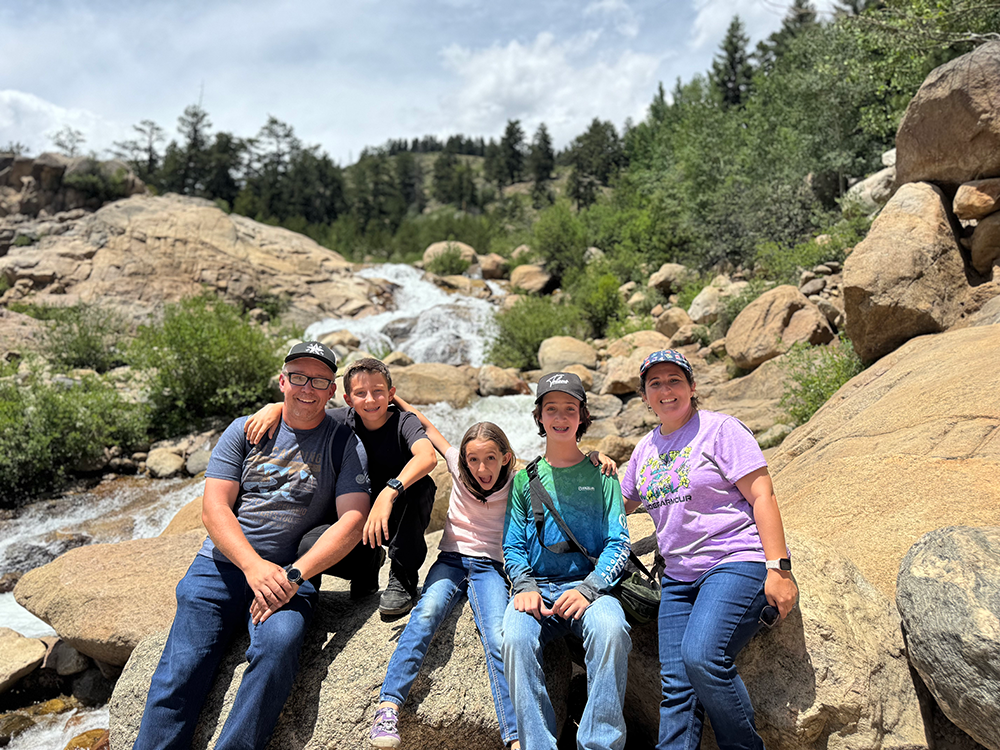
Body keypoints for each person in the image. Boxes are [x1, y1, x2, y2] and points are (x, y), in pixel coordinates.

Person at [132, 341, 370, 750]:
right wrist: (252, 566)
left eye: (319, 381)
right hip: (221, 567)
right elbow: (214, 509)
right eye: (298, 377)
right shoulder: (245, 430)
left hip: (288, 574)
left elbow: (353, 521)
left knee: (279, 646)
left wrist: (294, 575)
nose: (307, 388)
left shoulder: (344, 443)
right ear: (282, 381)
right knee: (180, 670)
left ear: (332, 391)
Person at [368, 395, 621, 750]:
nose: (481, 468)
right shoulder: (457, 467)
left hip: (491, 568)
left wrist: (595, 456)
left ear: (505, 458)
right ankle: (388, 705)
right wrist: (392, 400)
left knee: (499, 637)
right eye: (473, 459)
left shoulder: (520, 482)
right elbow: (427, 426)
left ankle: (515, 737)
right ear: (463, 459)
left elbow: (559, 462)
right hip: (451, 561)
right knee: (425, 614)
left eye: (490, 458)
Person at [620, 349, 799, 750]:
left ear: (692, 386)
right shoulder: (644, 449)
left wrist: (779, 568)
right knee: (677, 687)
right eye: (655, 384)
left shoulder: (720, 430)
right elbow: (618, 503)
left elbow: (763, 495)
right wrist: (591, 467)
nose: (666, 390)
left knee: (702, 657)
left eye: (675, 380)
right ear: (645, 397)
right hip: (678, 579)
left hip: (734, 561)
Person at [246, 357, 438, 616]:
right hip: (355, 519)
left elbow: (427, 456)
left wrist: (389, 492)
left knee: (421, 486)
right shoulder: (340, 420)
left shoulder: (404, 422)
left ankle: (403, 576)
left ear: (391, 394)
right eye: (360, 393)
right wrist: (276, 407)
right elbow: (304, 412)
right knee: (308, 545)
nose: (370, 400)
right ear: (348, 399)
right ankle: (367, 566)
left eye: (378, 391)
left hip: (395, 517)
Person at [502, 371, 633, 750]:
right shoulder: (524, 480)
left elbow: (618, 542)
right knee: (515, 638)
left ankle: (599, 744)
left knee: (611, 630)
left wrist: (590, 590)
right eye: (551, 409)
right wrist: (523, 586)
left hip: (590, 589)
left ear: (582, 416)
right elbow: (512, 546)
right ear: (539, 416)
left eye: (570, 409)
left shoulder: (602, 474)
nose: (560, 417)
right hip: (538, 590)